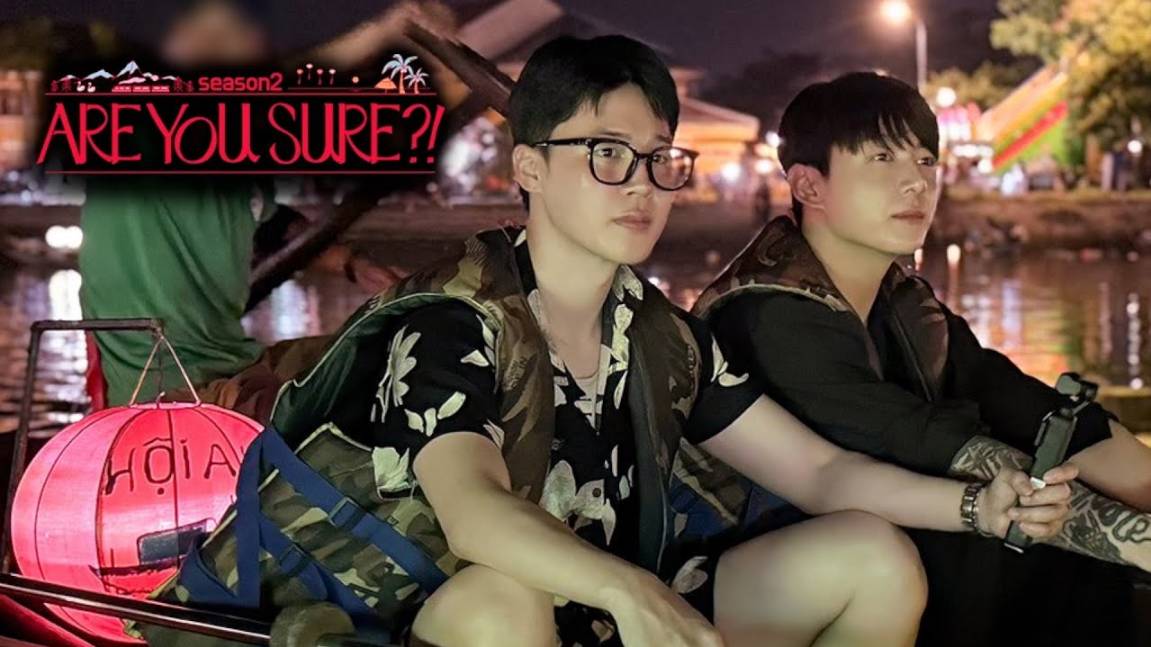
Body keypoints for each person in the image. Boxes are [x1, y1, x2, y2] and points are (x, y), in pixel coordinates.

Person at [138, 39, 1074, 647]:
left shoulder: (658, 335)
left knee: (870, 553)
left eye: (658, 158)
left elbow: (820, 471)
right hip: (416, 618)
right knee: (502, 602)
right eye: (606, 154)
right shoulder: (451, 323)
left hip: (598, 609)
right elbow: (472, 511)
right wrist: (632, 592)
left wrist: (976, 507)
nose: (641, 184)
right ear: (530, 168)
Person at [694, 71, 1151, 646]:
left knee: (1067, 546)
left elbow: (1018, 401)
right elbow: (919, 440)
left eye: (925, 161)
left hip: (870, 526)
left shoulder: (903, 299)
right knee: (1020, 550)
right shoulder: (766, 313)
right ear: (809, 185)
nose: (915, 182)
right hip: (760, 569)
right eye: (882, 158)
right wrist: (1134, 539)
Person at [78, 0, 400, 416]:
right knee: (355, 402)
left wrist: (354, 265)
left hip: (233, 363)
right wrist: (385, 28)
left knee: (389, 350)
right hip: (169, 389)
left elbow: (274, 225)